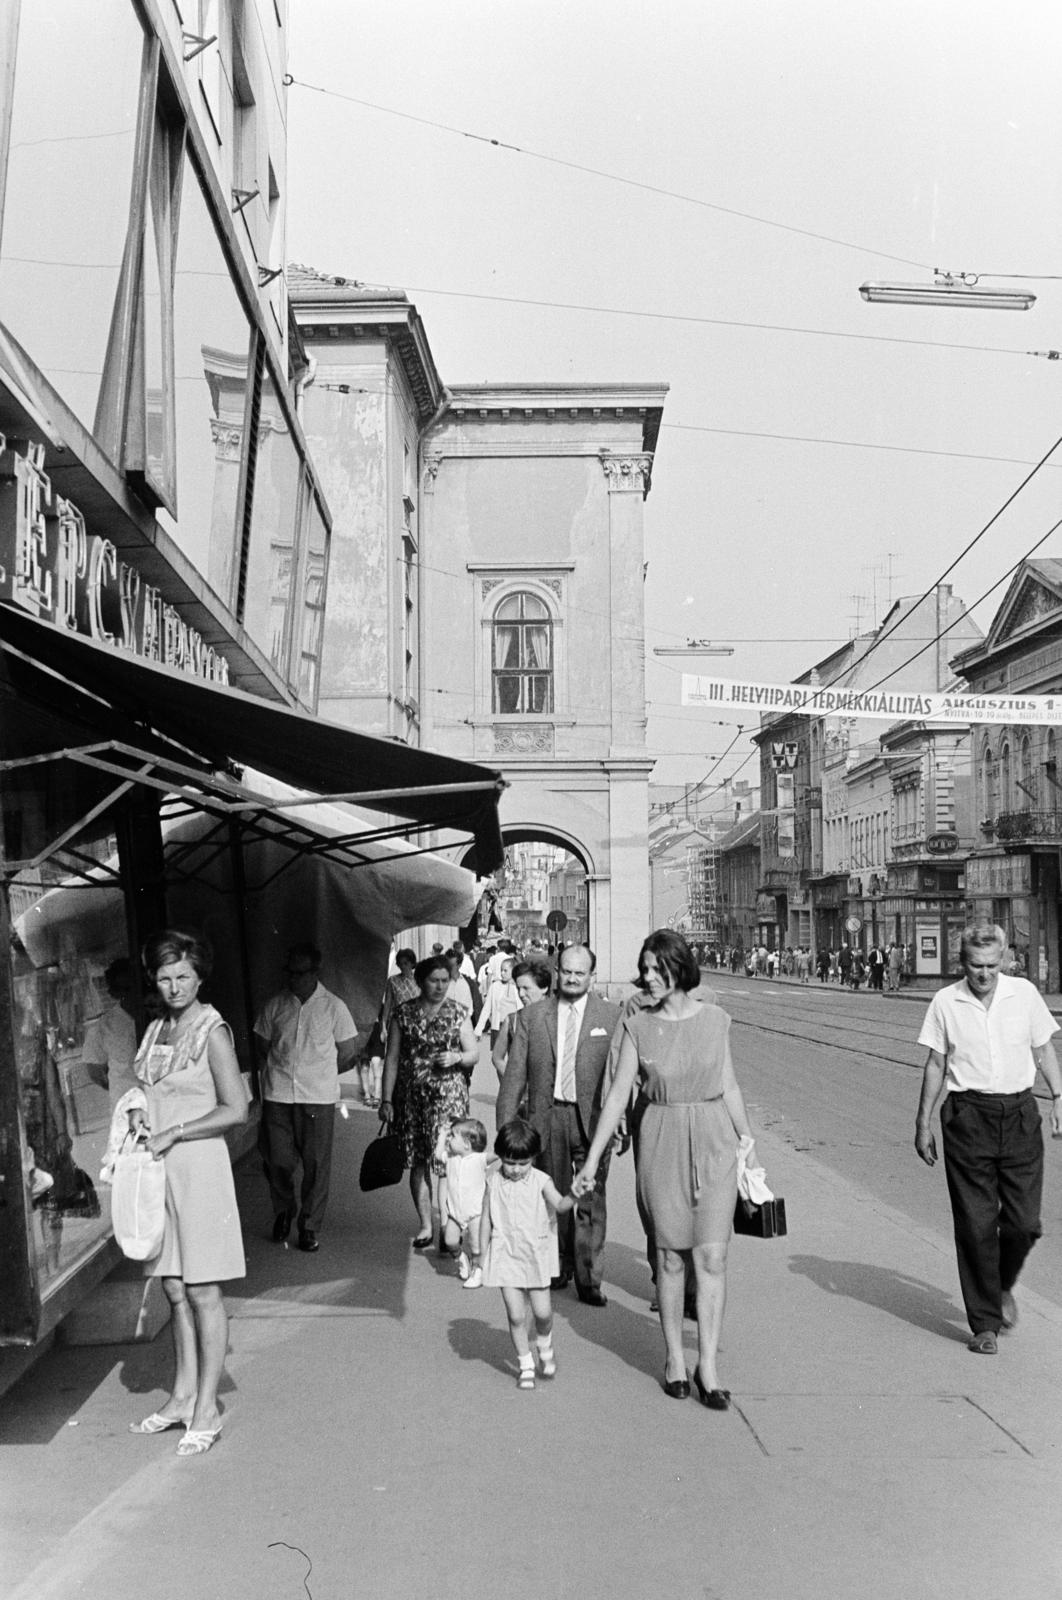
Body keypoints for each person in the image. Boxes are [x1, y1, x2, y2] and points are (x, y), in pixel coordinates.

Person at [574, 930, 757, 1409]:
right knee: (671, 1257)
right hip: (661, 1139)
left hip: (715, 1140)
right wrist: (593, 1160)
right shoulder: (638, 1025)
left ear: (680, 969)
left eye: (658, 969)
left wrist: (748, 1145)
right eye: (645, 969)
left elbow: (731, 1085)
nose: (649, 978)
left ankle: (708, 1366)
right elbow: (617, 1095)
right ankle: (675, 1357)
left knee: (712, 1257)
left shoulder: (716, 1020)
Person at [127, 930, 248, 1457]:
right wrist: (138, 1110)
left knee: (203, 1292)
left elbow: (236, 1108)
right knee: (173, 1289)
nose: (174, 986)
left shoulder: (211, 1029)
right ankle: (180, 1397)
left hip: (199, 1168)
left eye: (183, 976)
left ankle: (207, 1409)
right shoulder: (157, 1029)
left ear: (200, 977)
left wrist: (176, 1131)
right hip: (159, 1173)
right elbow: (146, 1089)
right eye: (165, 977)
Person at [915, 922, 1062, 1354]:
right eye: (977, 966)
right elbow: (935, 1064)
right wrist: (923, 1122)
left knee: (1023, 1224)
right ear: (963, 963)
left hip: (1019, 1114)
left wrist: (1059, 1094)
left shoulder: (1025, 995)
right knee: (976, 1225)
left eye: (993, 966)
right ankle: (984, 1324)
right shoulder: (946, 1001)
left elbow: (1044, 1049)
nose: (984, 974)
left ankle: (1000, 1286)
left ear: (1006, 961)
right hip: (967, 1116)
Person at [496, 944, 621, 1305]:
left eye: (580, 973)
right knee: (553, 1196)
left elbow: (621, 1075)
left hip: (592, 1121)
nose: (571, 977)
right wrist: (506, 1130)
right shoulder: (533, 1017)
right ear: (557, 970)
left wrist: (623, 1118)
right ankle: (559, 1266)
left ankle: (589, 1277)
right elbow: (514, 1077)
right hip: (546, 1117)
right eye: (566, 970)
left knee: (590, 1200)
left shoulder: (612, 1017)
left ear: (591, 976)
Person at [253, 942, 357, 1253]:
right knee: (278, 1160)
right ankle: (284, 1210)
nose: (293, 978)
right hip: (279, 1095)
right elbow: (261, 1043)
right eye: (290, 972)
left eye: (300, 972)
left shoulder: (334, 1007)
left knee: (315, 1164)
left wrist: (320, 1073)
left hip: (317, 1098)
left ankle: (309, 1226)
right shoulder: (276, 1005)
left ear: (315, 972)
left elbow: (349, 1053)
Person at [379, 954, 479, 1247]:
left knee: (448, 1162)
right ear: (421, 981)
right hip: (412, 1098)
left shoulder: (459, 1012)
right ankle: (426, 1225)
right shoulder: (403, 1013)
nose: (439, 986)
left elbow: (474, 1053)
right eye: (433, 981)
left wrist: (457, 1056)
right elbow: (392, 1059)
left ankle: (449, 1225)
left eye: (444, 981)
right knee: (418, 1162)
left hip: (449, 1096)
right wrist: (387, 1100)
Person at [480, 1117, 577, 1388]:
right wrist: (480, 1254)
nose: (515, 1169)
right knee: (516, 1315)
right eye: (510, 1162)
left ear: (534, 1158)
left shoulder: (540, 1180)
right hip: (505, 1254)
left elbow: (559, 1205)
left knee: (543, 1313)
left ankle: (544, 1344)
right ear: (500, 1156)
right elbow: (486, 1218)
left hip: (535, 1255)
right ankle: (525, 1363)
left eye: (523, 1163)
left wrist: (575, 1194)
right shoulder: (492, 1181)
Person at [434, 1116, 489, 1285]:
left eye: (453, 1136)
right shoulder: (450, 1158)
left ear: (467, 1143)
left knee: (476, 1245)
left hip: (475, 1212)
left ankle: (477, 1271)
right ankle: (461, 1258)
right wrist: (442, 1135)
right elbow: (437, 1155)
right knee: (450, 1240)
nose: (450, 1139)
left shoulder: (479, 1159)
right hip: (455, 1212)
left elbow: (498, 1157)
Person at [491, 960, 552, 1080]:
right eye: (518, 988)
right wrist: (514, 1081)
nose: (521, 994)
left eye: (526, 988)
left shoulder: (560, 1017)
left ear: (544, 988)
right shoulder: (512, 1020)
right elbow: (497, 1058)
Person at [475, 953, 520, 1048]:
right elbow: (487, 1009)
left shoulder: (519, 988)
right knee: (497, 1058)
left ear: (513, 971)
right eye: (501, 970)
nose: (502, 973)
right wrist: (479, 1029)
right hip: (498, 1027)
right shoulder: (495, 986)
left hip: (514, 1028)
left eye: (505, 971)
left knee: (514, 1058)